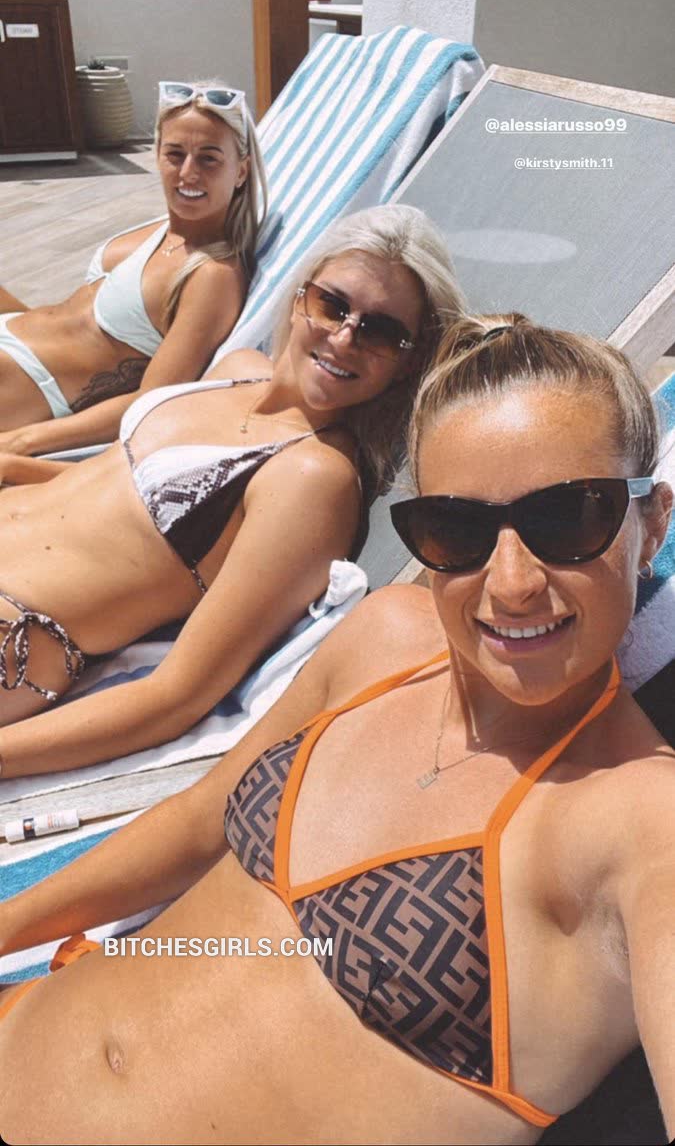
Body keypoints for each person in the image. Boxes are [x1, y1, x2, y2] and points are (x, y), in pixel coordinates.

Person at [0, 313, 672, 1146]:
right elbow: (200, 820)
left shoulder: (642, 822)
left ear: (652, 523)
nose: (511, 583)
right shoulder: (384, 637)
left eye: (569, 518)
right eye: (457, 529)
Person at [0, 204, 463, 772]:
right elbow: (112, 496)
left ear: (406, 363)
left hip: (16, 628)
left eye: (382, 331)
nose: (345, 338)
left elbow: (178, 695)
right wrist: (16, 463)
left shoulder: (312, 477)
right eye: (332, 305)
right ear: (300, 297)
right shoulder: (237, 368)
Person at [0, 79, 267, 454]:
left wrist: (18, 442)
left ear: (241, 171)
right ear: (157, 155)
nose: (188, 173)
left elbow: (151, 400)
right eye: (175, 154)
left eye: (209, 158)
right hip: (17, 335)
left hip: (27, 381)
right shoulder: (163, 229)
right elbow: (71, 325)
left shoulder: (212, 275)